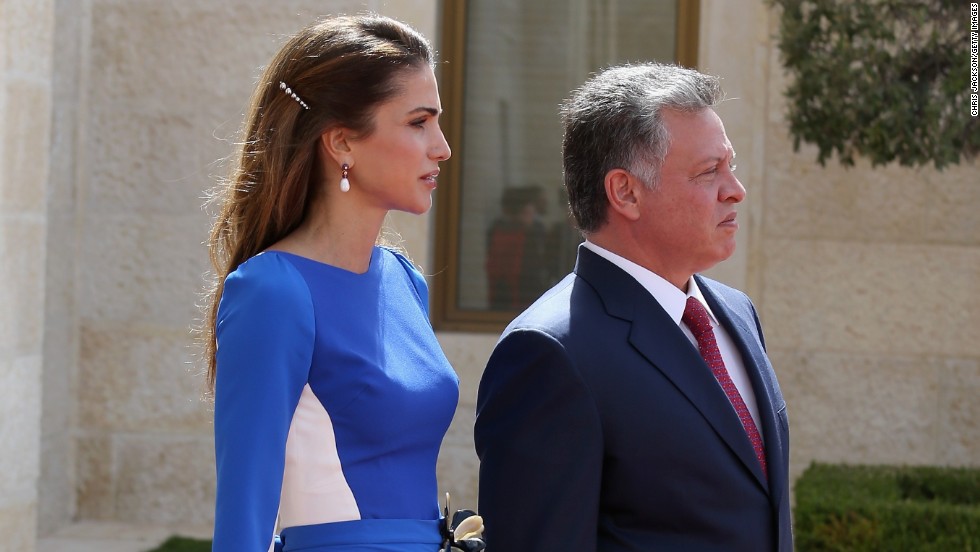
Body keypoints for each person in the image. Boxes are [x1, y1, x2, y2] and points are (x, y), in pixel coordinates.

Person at [474, 62, 793, 551]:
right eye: (709, 171)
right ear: (625, 191)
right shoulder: (549, 353)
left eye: (731, 165)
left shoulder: (736, 313)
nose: (736, 189)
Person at [201, 14, 481, 552]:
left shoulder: (403, 281)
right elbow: (243, 513)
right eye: (419, 122)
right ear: (342, 143)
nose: (442, 147)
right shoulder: (271, 292)